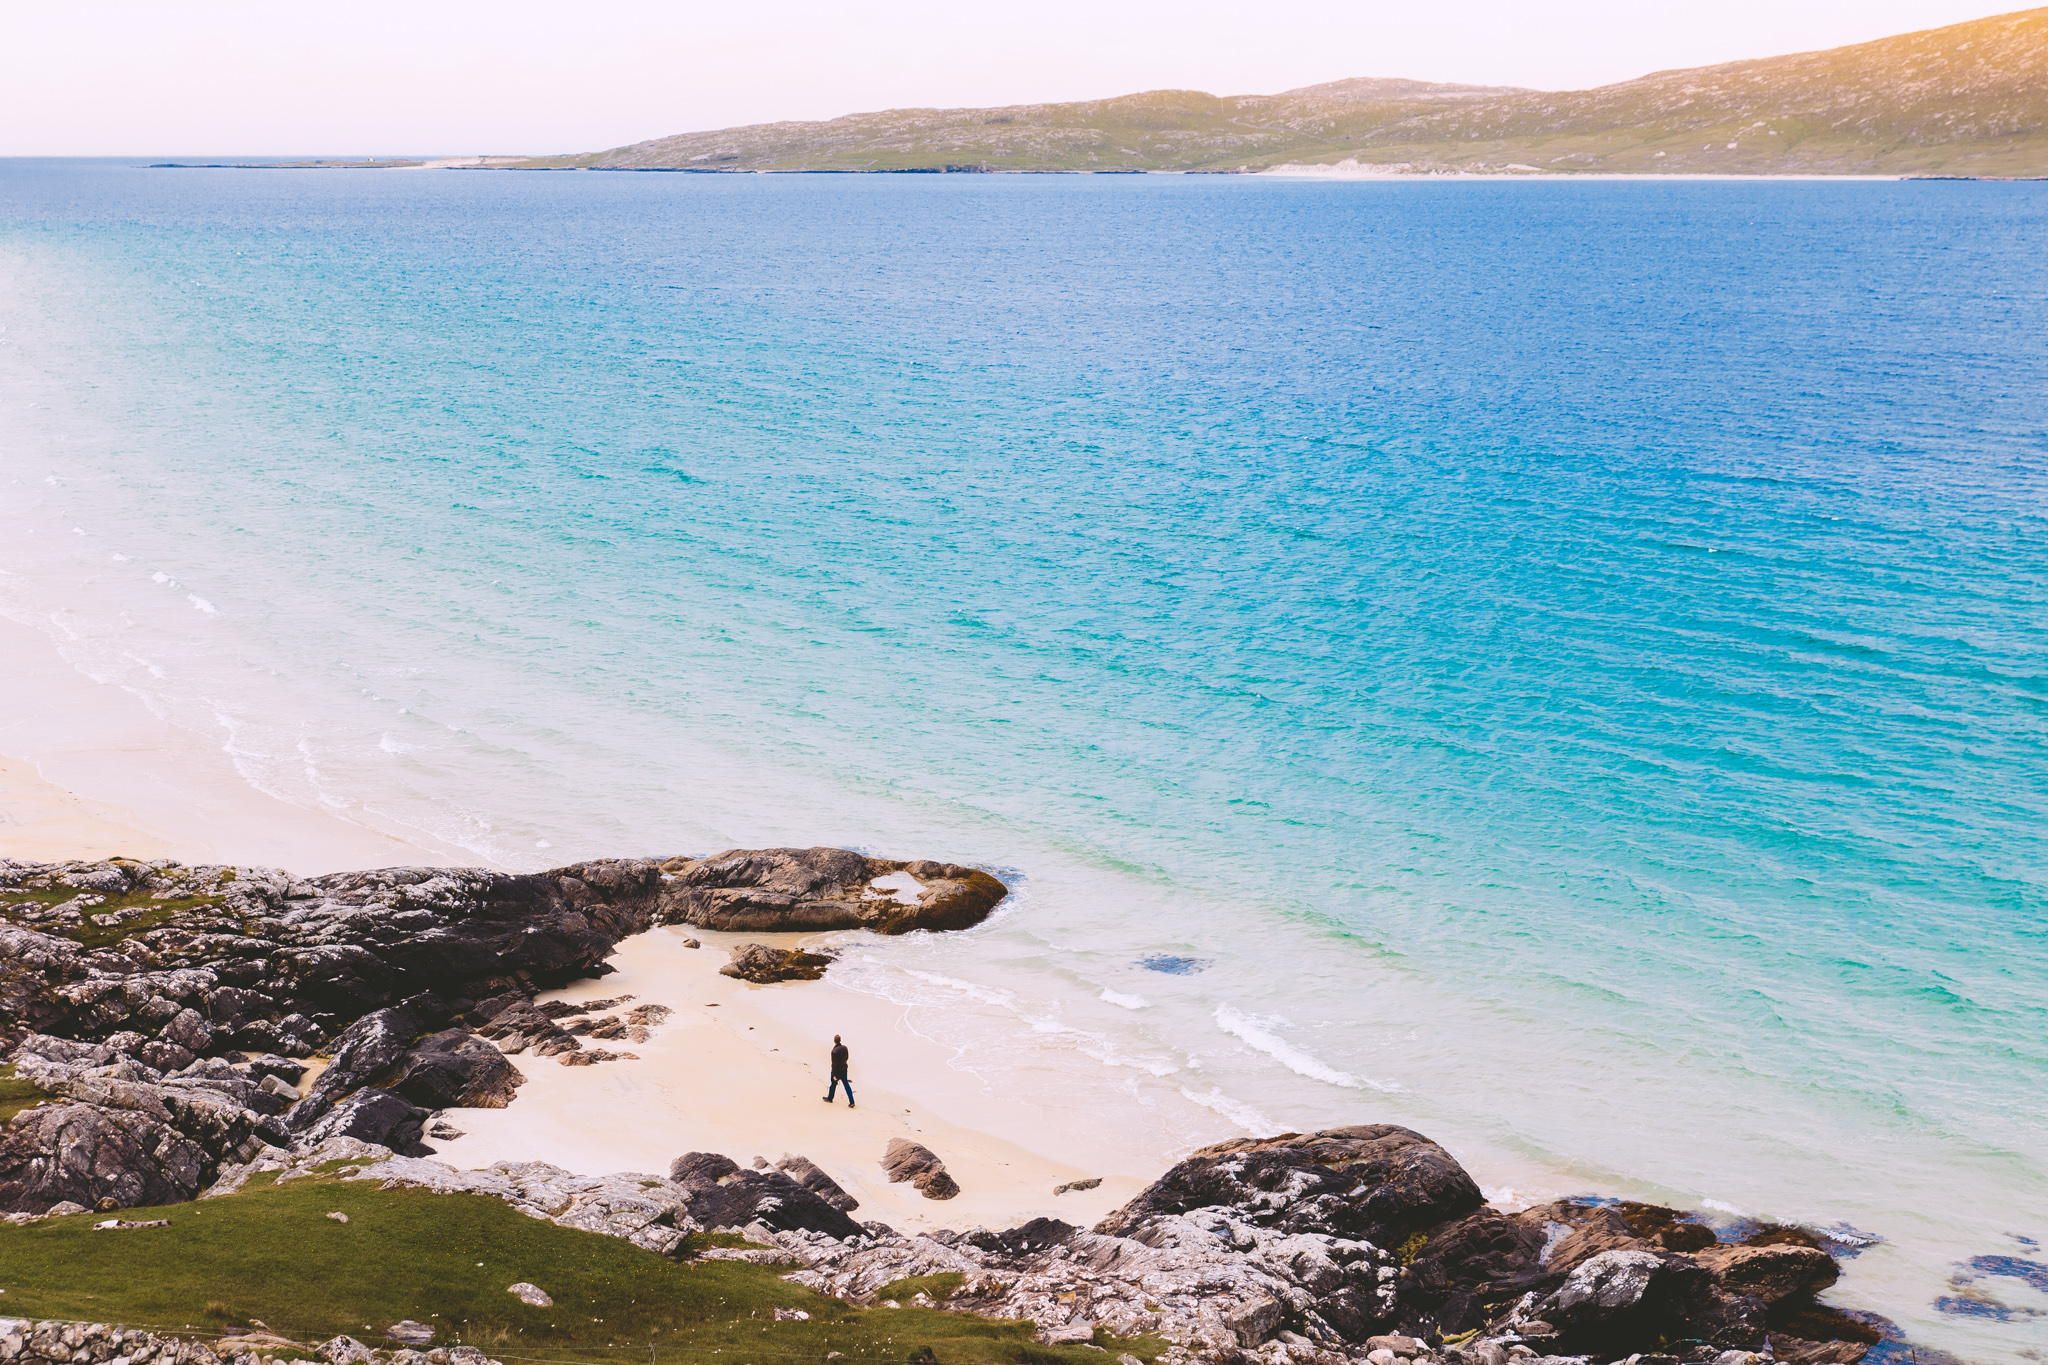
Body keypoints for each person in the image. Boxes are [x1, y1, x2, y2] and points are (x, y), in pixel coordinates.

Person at [823, 1033, 854, 1107]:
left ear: (834, 1041)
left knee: (833, 1084)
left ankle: (830, 1098)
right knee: (846, 1085)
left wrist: (834, 1075)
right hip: (844, 1069)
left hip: (837, 1071)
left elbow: (834, 1064)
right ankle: (852, 1102)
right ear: (840, 1040)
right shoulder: (845, 1048)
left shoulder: (834, 1051)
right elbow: (846, 1057)